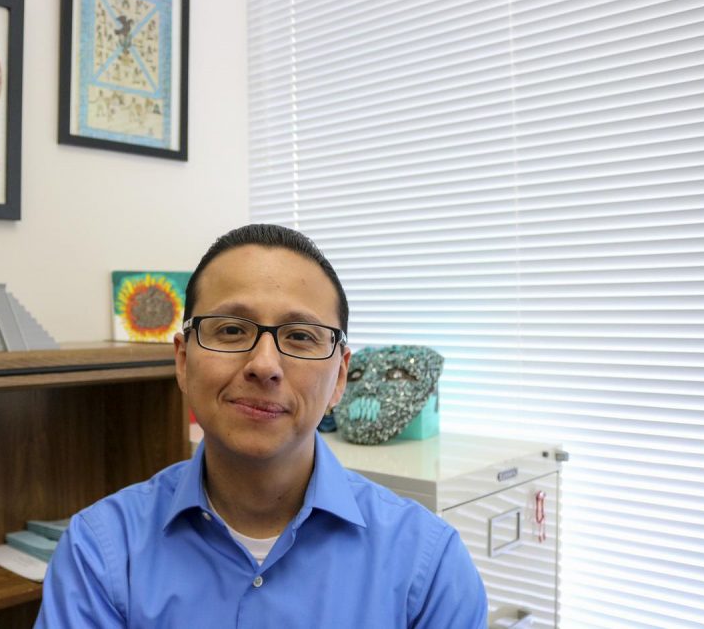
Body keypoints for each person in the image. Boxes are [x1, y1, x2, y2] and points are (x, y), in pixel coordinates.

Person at [35, 224, 487, 628]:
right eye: (231, 330)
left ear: (340, 378)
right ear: (183, 360)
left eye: (300, 336)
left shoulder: (428, 566)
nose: (264, 365)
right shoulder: (100, 553)